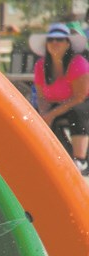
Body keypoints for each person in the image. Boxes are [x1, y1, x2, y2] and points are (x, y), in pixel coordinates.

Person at [30, 22, 89, 175]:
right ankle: (54, 159)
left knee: (77, 113)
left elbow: (80, 96)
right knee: (35, 117)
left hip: (81, 103)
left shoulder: (78, 63)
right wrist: (44, 114)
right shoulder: (40, 66)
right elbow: (41, 97)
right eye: (51, 39)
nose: (55, 43)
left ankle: (80, 159)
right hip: (57, 105)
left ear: (68, 43)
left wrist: (51, 114)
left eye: (60, 39)